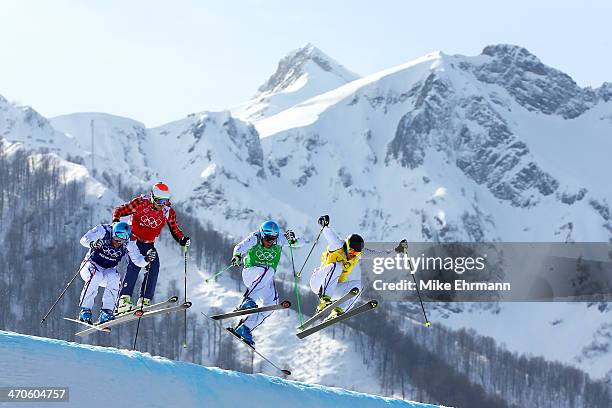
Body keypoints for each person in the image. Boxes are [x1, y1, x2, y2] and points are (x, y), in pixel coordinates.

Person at [310, 214, 407, 321]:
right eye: (352, 251)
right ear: (346, 246)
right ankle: (324, 301)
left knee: (359, 286)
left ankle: (338, 311)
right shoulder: (337, 245)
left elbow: (379, 255)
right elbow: (326, 231)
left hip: (333, 288)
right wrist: (323, 223)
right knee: (337, 266)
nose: (353, 254)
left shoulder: (358, 254)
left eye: (356, 253)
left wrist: (397, 250)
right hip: (318, 282)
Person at [112, 182, 190, 313]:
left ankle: (145, 299)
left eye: (165, 201)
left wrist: (182, 239)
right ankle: (123, 300)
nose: (161, 204)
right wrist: (115, 220)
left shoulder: (168, 211)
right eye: (159, 201)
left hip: (149, 243)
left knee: (154, 266)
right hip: (133, 240)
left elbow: (174, 229)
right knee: (135, 265)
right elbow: (119, 210)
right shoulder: (140, 203)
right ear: (153, 197)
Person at [230, 220, 300, 346]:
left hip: (265, 278)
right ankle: (248, 301)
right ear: (262, 234)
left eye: (273, 239)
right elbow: (240, 247)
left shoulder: (279, 240)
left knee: (272, 303)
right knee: (269, 269)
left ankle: (245, 328)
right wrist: (237, 256)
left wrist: (293, 239)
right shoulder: (255, 238)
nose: (270, 242)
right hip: (251, 274)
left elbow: (300, 243)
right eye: (268, 238)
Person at [78, 222, 156, 324]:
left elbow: (138, 261)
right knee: (96, 275)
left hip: (107, 270)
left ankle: (106, 311)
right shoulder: (104, 231)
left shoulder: (128, 242)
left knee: (115, 278)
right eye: (118, 237)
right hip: (90, 266)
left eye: (123, 239)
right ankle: (85, 310)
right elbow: (83, 240)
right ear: (113, 233)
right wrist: (92, 244)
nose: (119, 242)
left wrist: (146, 259)